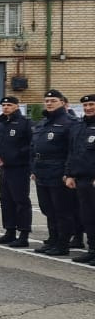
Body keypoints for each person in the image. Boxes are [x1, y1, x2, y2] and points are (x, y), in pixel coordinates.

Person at [31, 89, 77, 257]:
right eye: (47, 101)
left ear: (62, 103)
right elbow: (33, 147)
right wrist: (34, 169)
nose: (49, 103)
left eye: (53, 101)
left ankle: (63, 244)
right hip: (42, 171)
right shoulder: (43, 123)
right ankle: (53, 239)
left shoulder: (70, 123)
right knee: (48, 209)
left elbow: (73, 151)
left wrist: (68, 172)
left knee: (62, 210)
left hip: (58, 172)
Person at [0, 96, 33, 247]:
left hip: (19, 168)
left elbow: (31, 145)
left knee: (20, 201)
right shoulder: (1, 123)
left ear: (16, 106)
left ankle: (24, 233)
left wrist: (15, 154)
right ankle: (9, 231)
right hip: (4, 168)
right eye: (3, 105)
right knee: (6, 201)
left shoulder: (25, 123)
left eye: (9, 105)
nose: (6, 107)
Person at [64, 94, 95, 265]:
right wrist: (69, 174)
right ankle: (92, 249)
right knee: (87, 217)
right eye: (85, 105)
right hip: (81, 179)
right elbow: (72, 153)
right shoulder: (79, 127)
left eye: (91, 104)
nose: (88, 108)